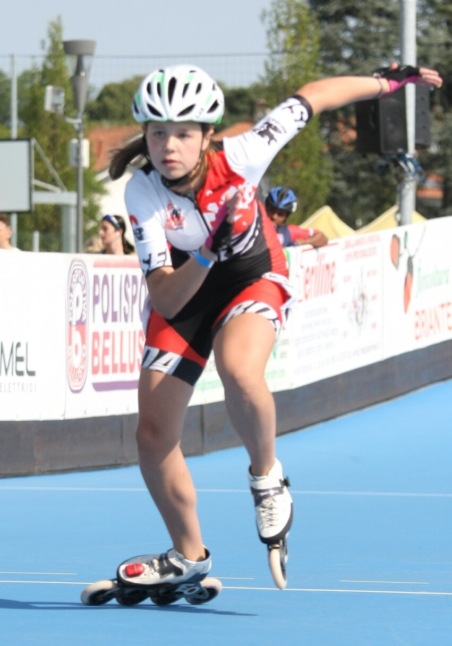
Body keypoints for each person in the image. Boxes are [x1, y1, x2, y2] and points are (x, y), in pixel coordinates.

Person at [107, 63, 442, 590]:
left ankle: (266, 478)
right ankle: (189, 555)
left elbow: (314, 95)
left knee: (239, 370)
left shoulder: (245, 153)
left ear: (208, 136)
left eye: (183, 133)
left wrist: (387, 82)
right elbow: (166, 299)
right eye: (157, 133)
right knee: (152, 436)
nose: (168, 146)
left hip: (251, 274)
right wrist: (207, 252)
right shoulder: (142, 191)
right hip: (188, 286)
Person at [264, 186, 329, 247]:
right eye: (271, 210)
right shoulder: (257, 225)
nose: (274, 216)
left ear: (286, 216)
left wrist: (302, 242)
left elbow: (322, 237)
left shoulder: (289, 232)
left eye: (280, 214)